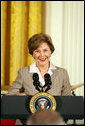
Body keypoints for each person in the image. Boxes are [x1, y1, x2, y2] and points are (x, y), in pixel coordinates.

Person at [7, 33, 71, 125]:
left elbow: (67, 101)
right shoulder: (23, 72)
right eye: (37, 51)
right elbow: (10, 97)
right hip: (27, 121)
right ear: (32, 54)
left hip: (53, 122)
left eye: (45, 50)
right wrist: (18, 97)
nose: (42, 55)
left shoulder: (62, 73)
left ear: (50, 51)